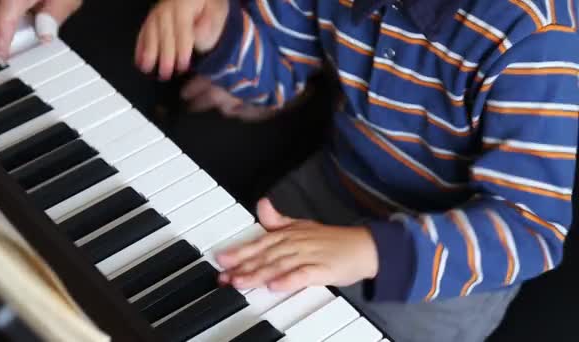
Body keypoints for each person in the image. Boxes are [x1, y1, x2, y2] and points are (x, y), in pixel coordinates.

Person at [136, 1, 579, 341]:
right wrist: (217, 29)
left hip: (445, 266)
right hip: (331, 191)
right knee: (193, 300)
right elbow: (276, 75)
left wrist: (367, 251)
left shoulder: (536, 33)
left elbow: (529, 227)